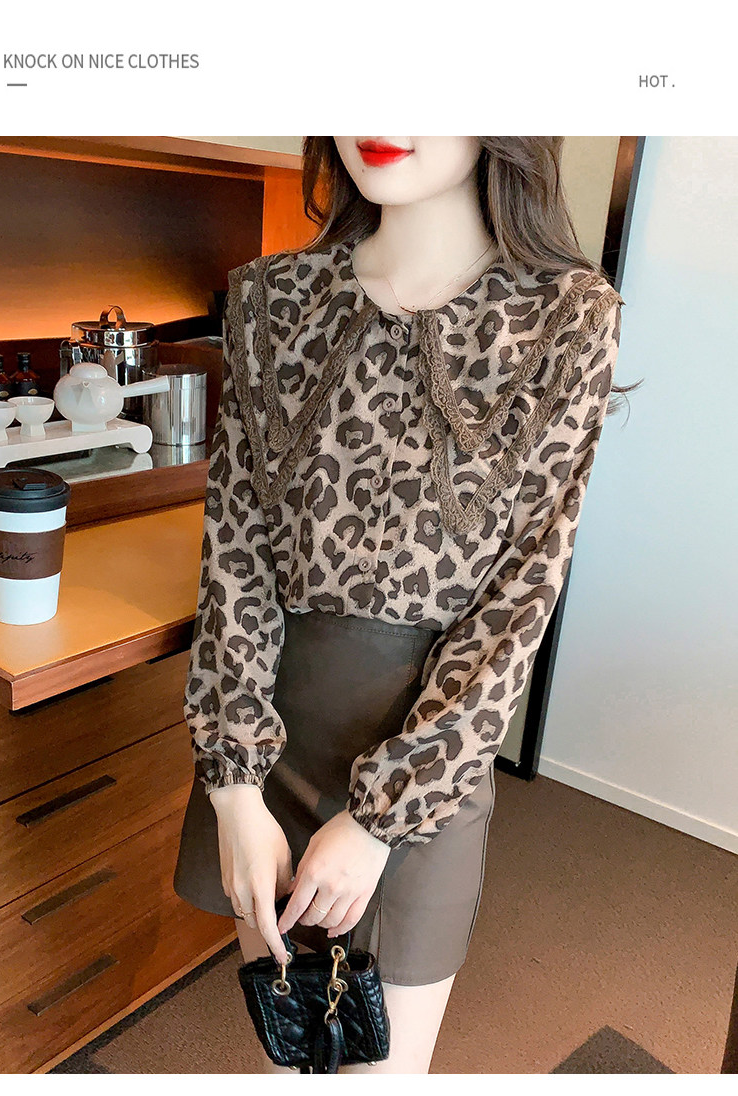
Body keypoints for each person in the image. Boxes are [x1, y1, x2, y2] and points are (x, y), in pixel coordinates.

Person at [173, 136, 627, 1074]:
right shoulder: (271, 300)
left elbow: (521, 596)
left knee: (380, 1073)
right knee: (293, 1054)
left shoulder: (565, 317)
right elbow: (235, 551)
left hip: (426, 762)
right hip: (267, 748)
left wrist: (384, 815)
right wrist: (232, 785)